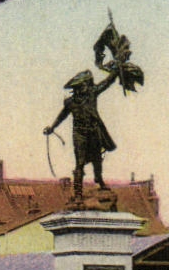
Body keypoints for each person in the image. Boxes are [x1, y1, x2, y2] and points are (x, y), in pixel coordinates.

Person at [45, 69, 117, 197]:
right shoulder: (70, 102)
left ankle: (98, 179)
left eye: (87, 85)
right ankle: (78, 193)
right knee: (80, 162)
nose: (87, 87)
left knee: (97, 158)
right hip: (80, 133)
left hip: (94, 131)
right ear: (78, 87)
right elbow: (62, 116)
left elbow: (106, 83)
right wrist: (52, 127)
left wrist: (116, 71)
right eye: (84, 85)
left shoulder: (92, 94)